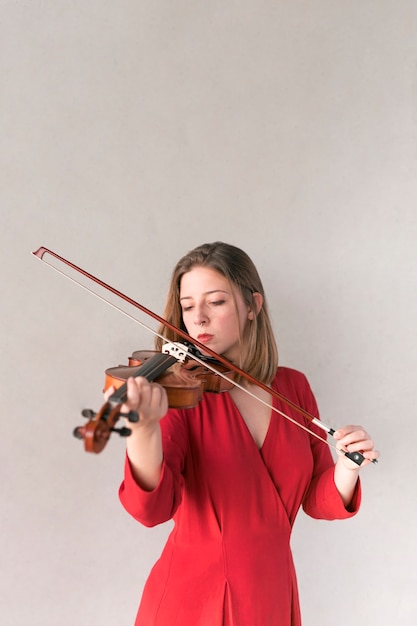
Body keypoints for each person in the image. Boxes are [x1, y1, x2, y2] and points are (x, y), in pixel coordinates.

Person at [118, 241, 379, 626]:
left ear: (253, 305)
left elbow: (316, 499)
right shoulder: (181, 394)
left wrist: (347, 467)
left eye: (216, 302)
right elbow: (151, 510)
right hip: (193, 603)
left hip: (272, 593)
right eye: (188, 307)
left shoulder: (293, 387)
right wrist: (141, 431)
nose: (199, 319)